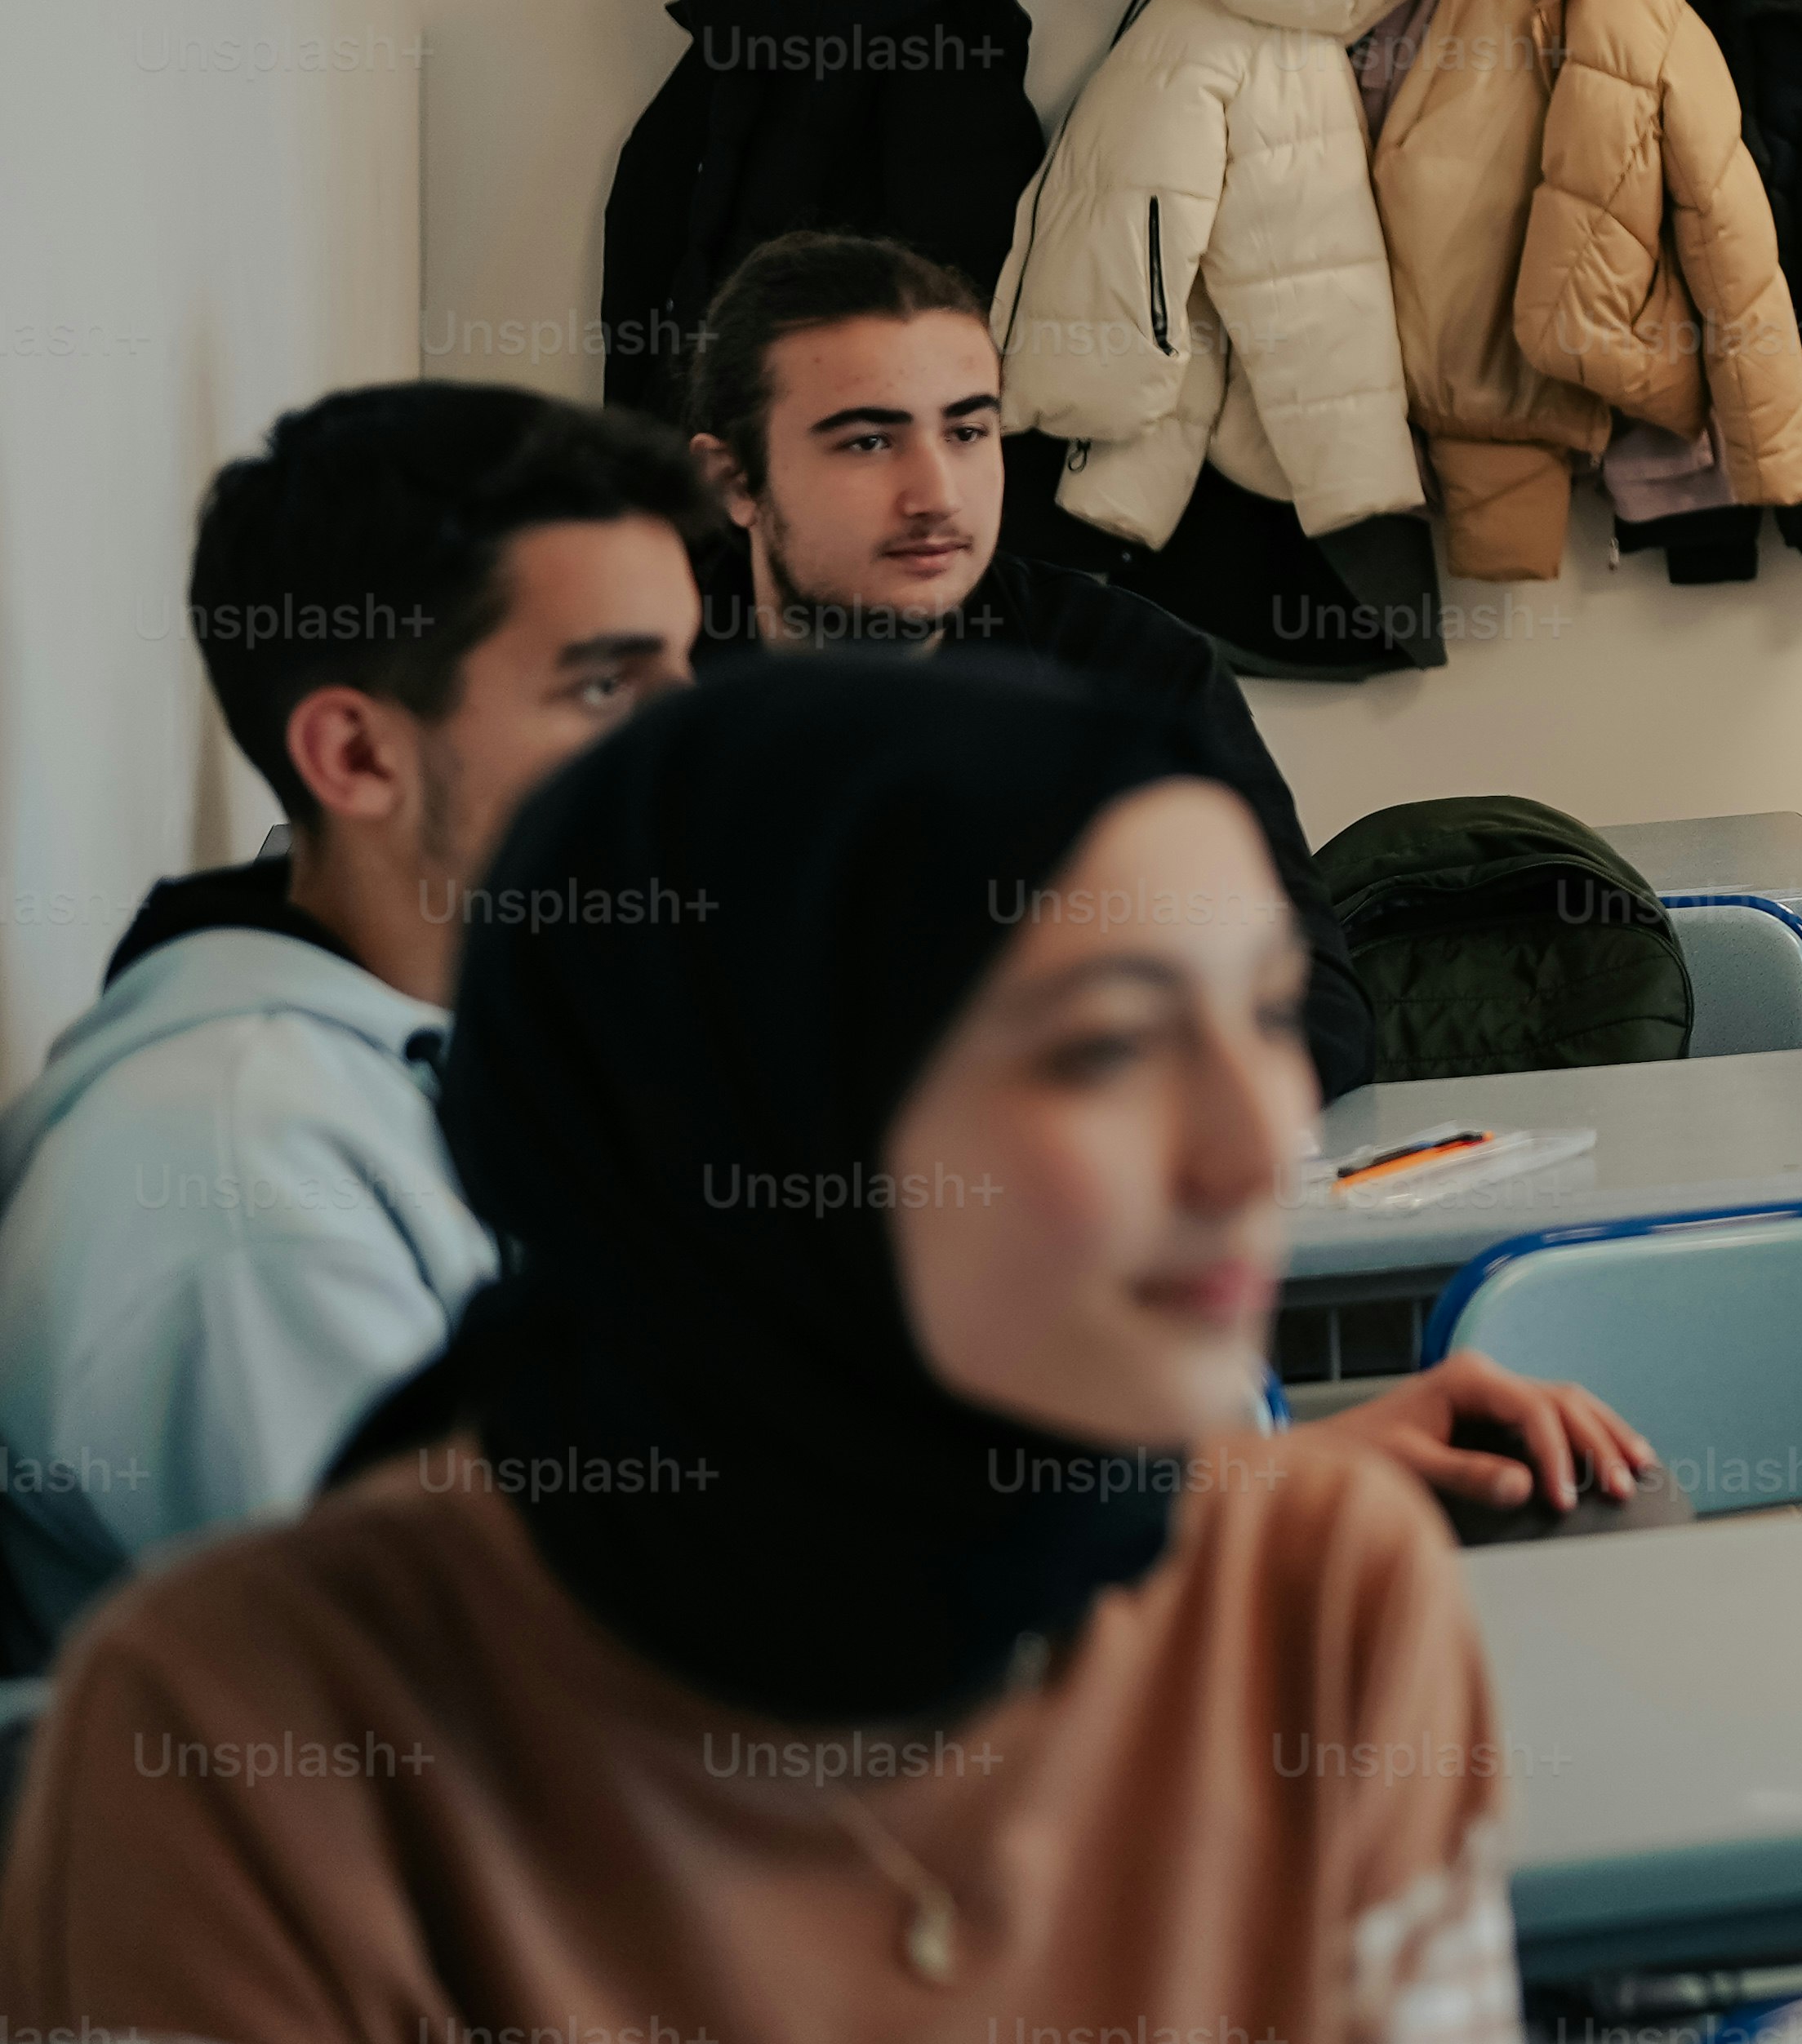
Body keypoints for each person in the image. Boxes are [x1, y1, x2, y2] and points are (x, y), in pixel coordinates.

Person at [0, 658, 1547, 2040]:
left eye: (1268, 1013)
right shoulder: (243, 1731)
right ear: (773, 1104)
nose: (1253, 1139)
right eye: (1108, 1045)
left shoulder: (1316, 1591)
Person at [0, 384, 706, 1658]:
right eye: (607, 689)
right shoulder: (245, 1178)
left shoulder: (472, 1045)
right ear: (357, 758)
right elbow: (503, 1702)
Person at [684, 228, 1383, 1093]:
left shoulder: (1126, 669)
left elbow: (1314, 1016)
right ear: (734, 485)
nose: (936, 494)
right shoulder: (629, 679)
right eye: (869, 441)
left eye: (970, 431)